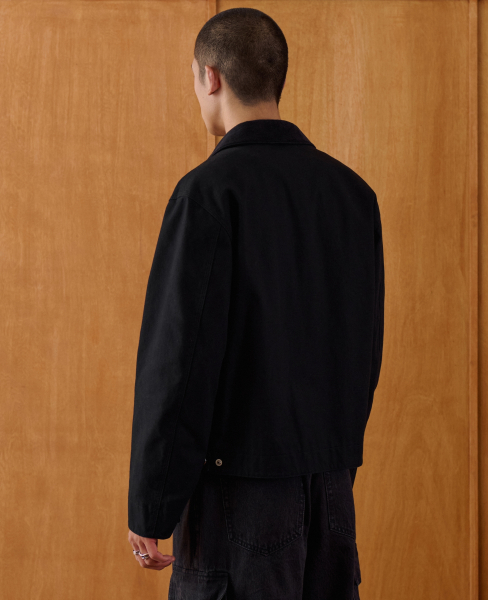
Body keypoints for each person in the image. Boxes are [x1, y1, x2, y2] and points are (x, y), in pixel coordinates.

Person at [127, 7, 384, 600]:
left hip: (236, 500)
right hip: (331, 493)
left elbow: (178, 362)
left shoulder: (207, 194)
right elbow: (363, 349)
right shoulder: (352, 195)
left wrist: (151, 503)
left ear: (211, 76)